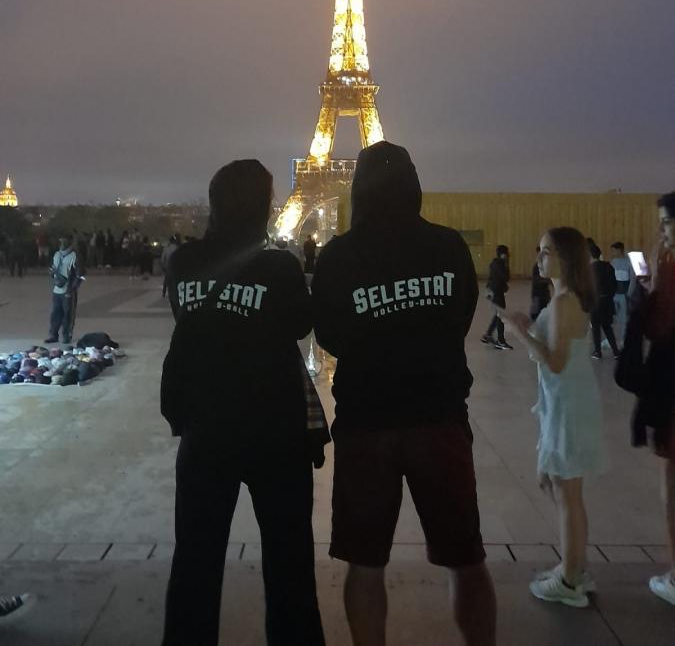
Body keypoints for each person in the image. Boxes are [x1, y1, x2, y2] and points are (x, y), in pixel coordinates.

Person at [312, 141, 496, 646]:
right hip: (439, 417)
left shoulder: (339, 255)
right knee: (466, 559)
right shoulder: (448, 246)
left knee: (365, 565)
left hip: (366, 420)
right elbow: (460, 316)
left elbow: (327, 333)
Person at [161, 159, 326, 646]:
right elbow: (299, 325)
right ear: (264, 207)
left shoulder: (183, 263)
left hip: (205, 428)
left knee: (195, 561)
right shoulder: (279, 266)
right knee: (289, 562)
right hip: (275, 429)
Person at [502, 227, 607, 607]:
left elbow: (557, 362)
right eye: (539, 250)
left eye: (546, 252)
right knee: (552, 483)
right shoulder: (562, 298)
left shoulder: (564, 302)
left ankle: (570, 577)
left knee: (566, 491)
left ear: (566, 257)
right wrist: (531, 331)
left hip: (568, 406)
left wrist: (518, 332)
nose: (539, 258)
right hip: (562, 403)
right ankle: (573, 564)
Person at [616, 192, 675, 605]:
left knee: (671, 483)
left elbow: (659, 326)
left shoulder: (670, 263)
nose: (662, 231)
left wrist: (649, 289)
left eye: (667, 223)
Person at [45, 234, 82, 344]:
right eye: (60, 242)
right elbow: (53, 268)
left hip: (68, 291)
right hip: (57, 290)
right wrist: (52, 273)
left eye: (64, 242)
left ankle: (66, 335)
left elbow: (80, 275)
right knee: (55, 313)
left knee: (68, 314)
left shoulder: (75, 256)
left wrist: (72, 288)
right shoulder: (57, 255)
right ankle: (53, 335)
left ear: (69, 243)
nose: (61, 244)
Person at [588, 241, 619, 359]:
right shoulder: (609, 266)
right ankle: (616, 351)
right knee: (607, 327)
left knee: (596, 327)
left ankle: (597, 351)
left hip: (595, 302)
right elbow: (614, 285)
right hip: (608, 301)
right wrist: (609, 296)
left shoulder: (589, 269)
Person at [480, 245, 512, 349]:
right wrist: (506, 264)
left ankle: (487, 335)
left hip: (494, 292)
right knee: (501, 315)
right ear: (503, 254)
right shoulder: (500, 264)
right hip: (496, 293)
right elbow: (506, 277)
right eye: (506, 254)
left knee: (498, 314)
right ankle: (501, 341)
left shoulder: (494, 263)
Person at [610, 241, 636, 344]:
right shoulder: (613, 262)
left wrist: (629, 294)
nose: (612, 252)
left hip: (624, 295)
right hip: (614, 294)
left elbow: (633, 279)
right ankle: (612, 339)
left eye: (614, 250)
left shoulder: (628, 262)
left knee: (624, 319)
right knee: (613, 319)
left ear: (619, 250)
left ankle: (624, 340)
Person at [530, 246, 551, 320]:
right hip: (537, 294)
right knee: (535, 314)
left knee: (544, 313)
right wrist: (548, 281)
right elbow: (537, 280)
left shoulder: (545, 266)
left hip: (544, 294)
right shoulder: (537, 267)